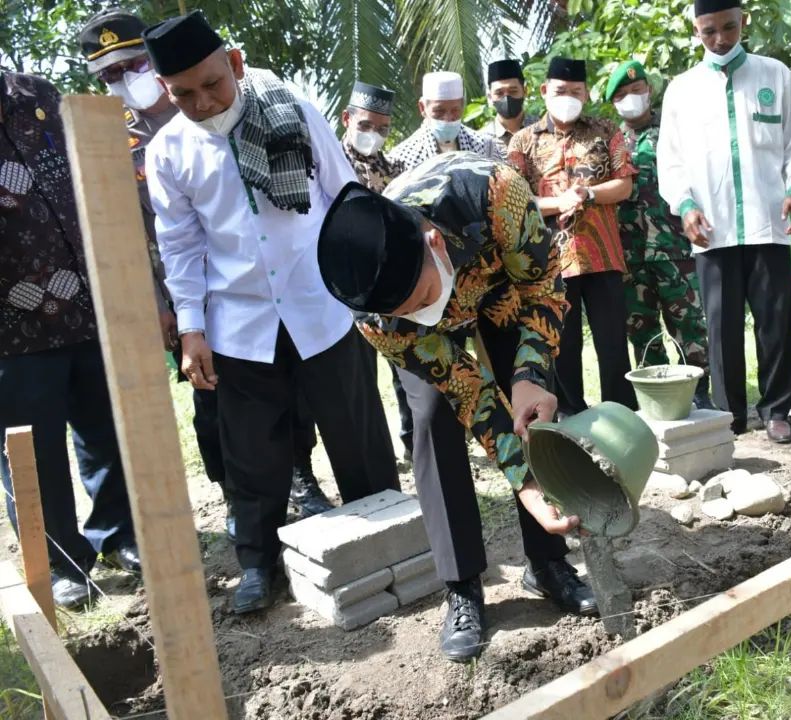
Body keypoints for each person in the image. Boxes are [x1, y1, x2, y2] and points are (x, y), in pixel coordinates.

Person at [141, 11, 398, 613]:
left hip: (324, 307)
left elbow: (343, 196)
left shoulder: (293, 109)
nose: (202, 103)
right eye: (183, 94)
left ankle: (390, 538)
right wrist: (191, 329)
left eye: (212, 84)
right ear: (165, 92)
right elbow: (180, 246)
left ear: (233, 63)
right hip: (239, 326)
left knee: (357, 437)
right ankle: (259, 566)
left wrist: (369, 286)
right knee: (252, 457)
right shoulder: (168, 151)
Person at [318, 151, 597, 663]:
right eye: (409, 311)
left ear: (433, 241)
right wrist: (526, 482)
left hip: (503, 282)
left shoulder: (497, 195)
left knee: (533, 408)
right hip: (431, 337)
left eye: (424, 295)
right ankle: (462, 587)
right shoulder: (380, 318)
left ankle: (549, 563)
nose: (429, 314)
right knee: (431, 419)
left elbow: (542, 284)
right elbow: (469, 391)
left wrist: (530, 376)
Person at [79, 8, 335, 534]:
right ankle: (245, 511)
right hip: (181, 295)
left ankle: (301, 479)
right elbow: (130, 236)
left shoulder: (239, 108)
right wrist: (161, 307)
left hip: (241, 287)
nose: (123, 82)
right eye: (108, 75)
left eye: (130, 66)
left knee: (286, 397)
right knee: (217, 415)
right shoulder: (108, 139)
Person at [0, 71, 140, 609]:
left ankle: (120, 534)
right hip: (16, 331)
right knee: (33, 456)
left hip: (88, 307)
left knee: (105, 431)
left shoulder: (37, 95)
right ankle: (61, 561)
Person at [657, 0, 791, 443]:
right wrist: (685, 206)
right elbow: (671, 163)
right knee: (721, 330)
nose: (721, 39)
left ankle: (777, 410)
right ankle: (731, 417)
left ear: (744, 20)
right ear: (695, 29)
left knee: (775, 321)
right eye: (709, 31)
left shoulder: (774, 75)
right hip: (713, 230)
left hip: (768, 223)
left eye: (729, 27)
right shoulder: (681, 90)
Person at [507, 57, 637, 417]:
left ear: (587, 93)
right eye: (561, 91)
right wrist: (556, 202)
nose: (568, 97)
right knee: (563, 345)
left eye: (576, 92)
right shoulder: (522, 142)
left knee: (612, 342)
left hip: (602, 255)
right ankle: (571, 416)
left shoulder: (605, 130)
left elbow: (624, 184)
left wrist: (588, 194)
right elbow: (514, 199)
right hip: (551, 262)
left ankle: (621, 414)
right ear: (545, 91)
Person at [604, 59, 714, 411]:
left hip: (674, 247)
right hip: (629, 253)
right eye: (623, 94)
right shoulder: (609, 141)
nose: (631, 98)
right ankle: (658, 394)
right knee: (642, 328)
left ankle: (699, 390)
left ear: (649, 91)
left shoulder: (674, 131)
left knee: (689, 323)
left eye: (637, 90)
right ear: (614, 102)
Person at [340, 81, 413, 462]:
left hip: (391, 286)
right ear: (347, 119)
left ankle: (414, 443)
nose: (375, 135)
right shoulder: (328, 165)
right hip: (344, 288)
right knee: (359, 379)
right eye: (367, 125)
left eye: (383, 129)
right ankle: (375, 457)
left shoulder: (396, 168)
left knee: (405, 369)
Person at [387, 71, 499, 170]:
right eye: (439, 111)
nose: (448, 118)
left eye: (455, 110)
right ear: (422, 108)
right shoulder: (403, 158)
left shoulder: (486, 147)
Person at [481, 59, 537, 156]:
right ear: (490, 97)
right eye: (499, 93)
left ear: (525, 91)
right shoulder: (481, 140)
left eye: (513, 91)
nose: (506, 98)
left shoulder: (543, 130)